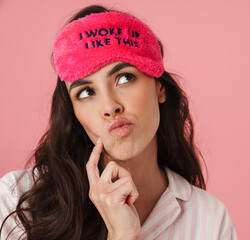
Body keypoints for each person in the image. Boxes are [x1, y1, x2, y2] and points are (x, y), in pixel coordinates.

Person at [0, 5, 237, 240]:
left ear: (159, 87)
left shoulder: (210, 219)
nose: (110, 107)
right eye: (85, 92)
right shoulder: (18, 200)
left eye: (124, 78)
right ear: (74, 113)